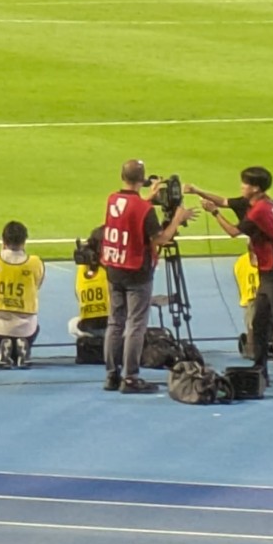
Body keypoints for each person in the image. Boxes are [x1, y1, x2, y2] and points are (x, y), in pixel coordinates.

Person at [188, 170, 273, 390]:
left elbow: (233, 231)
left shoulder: (259, 211)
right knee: (260, 322)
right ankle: (260, 369)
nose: (242, 186)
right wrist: (197, 191)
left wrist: (214, 213)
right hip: (270, 270)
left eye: (245, 184)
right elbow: (225, 201)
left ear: (256, 188)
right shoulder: (261, 203)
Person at [100, 161, 192, 394]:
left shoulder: (112, 200)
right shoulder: (143, 209)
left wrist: (148, 198)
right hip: (136, 270)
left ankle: (111, 375)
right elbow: (160, 238)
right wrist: (177, 218)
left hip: (114, 266)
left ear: (122, 176)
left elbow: (130, 215)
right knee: (136, 324)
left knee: (115, 322)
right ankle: (130, 378)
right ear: (142, 180)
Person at [0, 221, 45, 368]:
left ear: (3, 240)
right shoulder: (35, 263)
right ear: (24, 241)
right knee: (33, 328)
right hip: (26, 322)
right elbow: (37, 285)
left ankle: (1, 351)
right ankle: (21, 347)